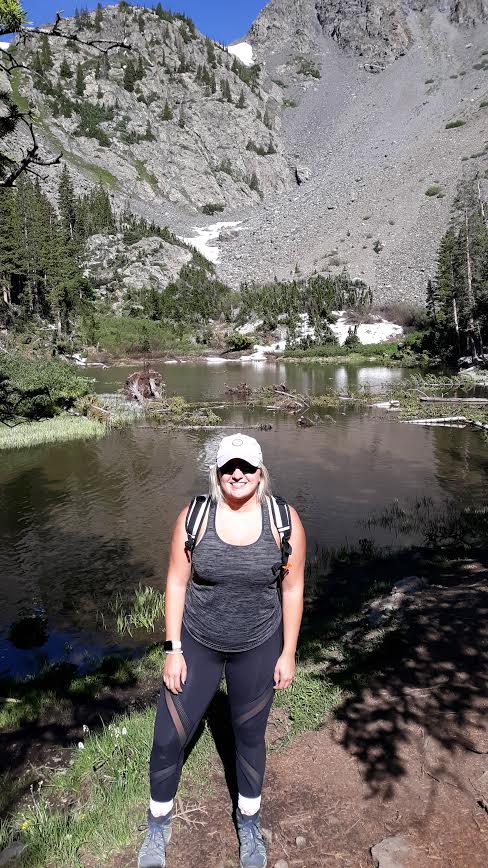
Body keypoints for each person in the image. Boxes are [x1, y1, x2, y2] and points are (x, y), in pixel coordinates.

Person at [138, 433, 306, 868]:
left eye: (247, 467)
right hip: (198, 643)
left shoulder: (283, 521)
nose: (237, 474)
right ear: (217, 471)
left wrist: (288, 652)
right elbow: (176, 581)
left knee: (248, 738)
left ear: (260, 472)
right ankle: (158, 823)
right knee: (166, 739)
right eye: (229, 466)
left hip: (258, 645)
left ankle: (248, 822)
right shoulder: (195, 517)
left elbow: (292, 589)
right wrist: (172, 649)